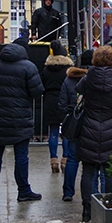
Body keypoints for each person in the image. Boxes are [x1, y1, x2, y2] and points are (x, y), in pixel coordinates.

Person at [0, 38, 46, 202]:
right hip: (20, 119)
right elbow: (37, 92)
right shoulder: (29, 67)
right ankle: (23, 190)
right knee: (21, 156)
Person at [76, 46, 112, 222]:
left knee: (88, 171)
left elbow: (78, 90)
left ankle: (87, 210)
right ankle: (109, 206)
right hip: (111, 128)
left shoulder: (88, 79)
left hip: (89, 127)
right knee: (109, 172)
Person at [57, 49, 92, 202]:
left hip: (74, 122)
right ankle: (92, 193)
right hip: (91, 122)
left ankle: (68, 192)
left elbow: (62, 103)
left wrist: (69, 116)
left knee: (72, 159)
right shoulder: (94, 78)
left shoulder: (69, 79)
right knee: (90, 163)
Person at [41, 41, 73, 174]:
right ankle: (65, 159)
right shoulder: (67, 69)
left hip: (49, 100)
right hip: (64, 100)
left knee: (53, 132)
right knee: (66, 133)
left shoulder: (46, 69)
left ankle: (53, 159)